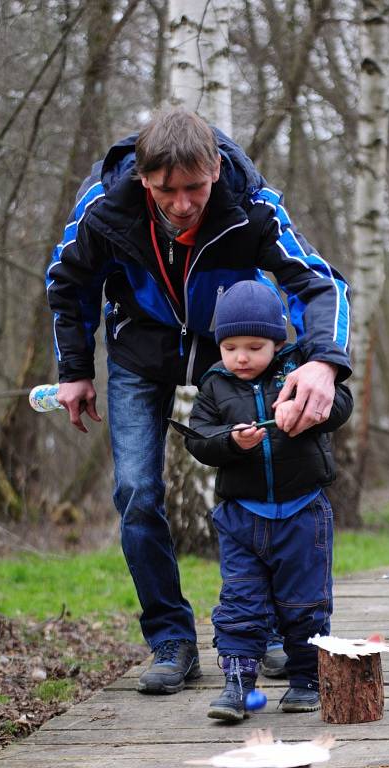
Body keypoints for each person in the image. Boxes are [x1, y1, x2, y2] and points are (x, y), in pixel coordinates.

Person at [45, 107, 351, 695]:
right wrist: (75, 370)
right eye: (167, 191)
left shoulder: (253, 206)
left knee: (267, 475)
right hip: (139, 349)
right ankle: (171, 638)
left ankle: (262, 632)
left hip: (231, 347)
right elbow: (68, 282)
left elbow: (320, 283)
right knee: (135, 490)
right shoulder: (102, 208)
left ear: (215, 169)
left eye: (195, 188)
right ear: (142, 179)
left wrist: (322, 361)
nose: (182, 203)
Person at [185, 281, 353, 721]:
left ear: (279, 341)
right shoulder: (214, 386)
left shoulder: (300, 369)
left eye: (254, 346)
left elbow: (340, 406)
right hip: (241, 517)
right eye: (230, 346)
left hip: (304, 513)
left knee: (305, 603)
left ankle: (306, 679)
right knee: (240, 602)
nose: (241, 357)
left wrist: (305, 405)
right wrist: (230, 442)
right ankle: (238, 683)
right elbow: (199, 439)